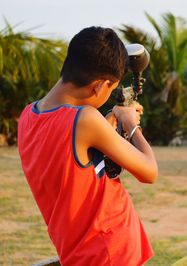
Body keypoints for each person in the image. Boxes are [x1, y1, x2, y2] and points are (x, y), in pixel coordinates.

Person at [18, 26, 158, 265]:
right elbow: (149, 171)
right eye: (110, 89)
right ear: (98, 86)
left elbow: (72, 154)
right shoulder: (85, 120)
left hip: (77, 251)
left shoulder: (29, 115)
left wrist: (112, 118)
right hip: (109, 252)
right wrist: (131, 124)